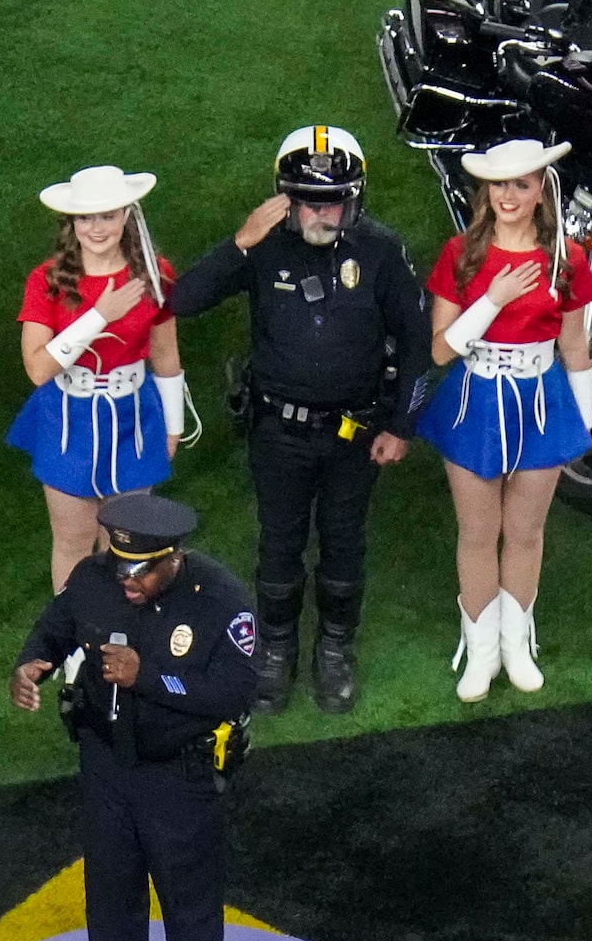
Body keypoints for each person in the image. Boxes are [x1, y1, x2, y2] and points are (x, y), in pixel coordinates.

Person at [168, 126, 428, 715]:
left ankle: (335, 651)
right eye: (306, 199)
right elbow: (183, 301)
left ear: (355, 197)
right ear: (283, 197)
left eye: (332, 199)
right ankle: (275, 650)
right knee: (279, 544)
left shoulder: (382, 251)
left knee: (343, 542)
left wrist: (402, 426)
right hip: (278, 431)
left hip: (356, 434)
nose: (319, 211)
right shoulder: (262, 245)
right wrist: (240, 243)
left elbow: (417, 346)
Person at [9, 491, 256, 941]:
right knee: (110, 884)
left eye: (140, 571)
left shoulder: (219, 601)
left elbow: (235, 691)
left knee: (187, 903)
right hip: (104, 762)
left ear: (173, 559)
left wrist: (151, 678)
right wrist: (31, 662)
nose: (126, 582)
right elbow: (55, 626)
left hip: (177, 774)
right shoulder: (94, 579)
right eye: (120, 566)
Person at [414, 139, 592, 701]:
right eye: (500, 184)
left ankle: (516, 644)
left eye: (521, 184)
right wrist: (491, 300)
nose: (509, 195)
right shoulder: (461, 253)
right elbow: (442, 351)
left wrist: (583, 421)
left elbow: (575, 346)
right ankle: (481, 650)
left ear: (542, 188)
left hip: (542, 402)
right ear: (485, 190)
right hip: (475, 401)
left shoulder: (567, 257)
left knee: (525, 532)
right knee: (477, 533)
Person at [8, 164, 183, 594]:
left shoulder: (154, 274)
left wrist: (174, 425)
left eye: (107, 215)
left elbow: (165, 355)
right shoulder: (47, 279)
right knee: (72, 543)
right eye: (87, 217)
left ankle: (118, 641)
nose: (97, 227)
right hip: (68, 419)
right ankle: (71, 649)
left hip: (133, 419)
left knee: (127, 544)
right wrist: (100, 316)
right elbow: (38, 368)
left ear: (126, 215)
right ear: (72, 222)